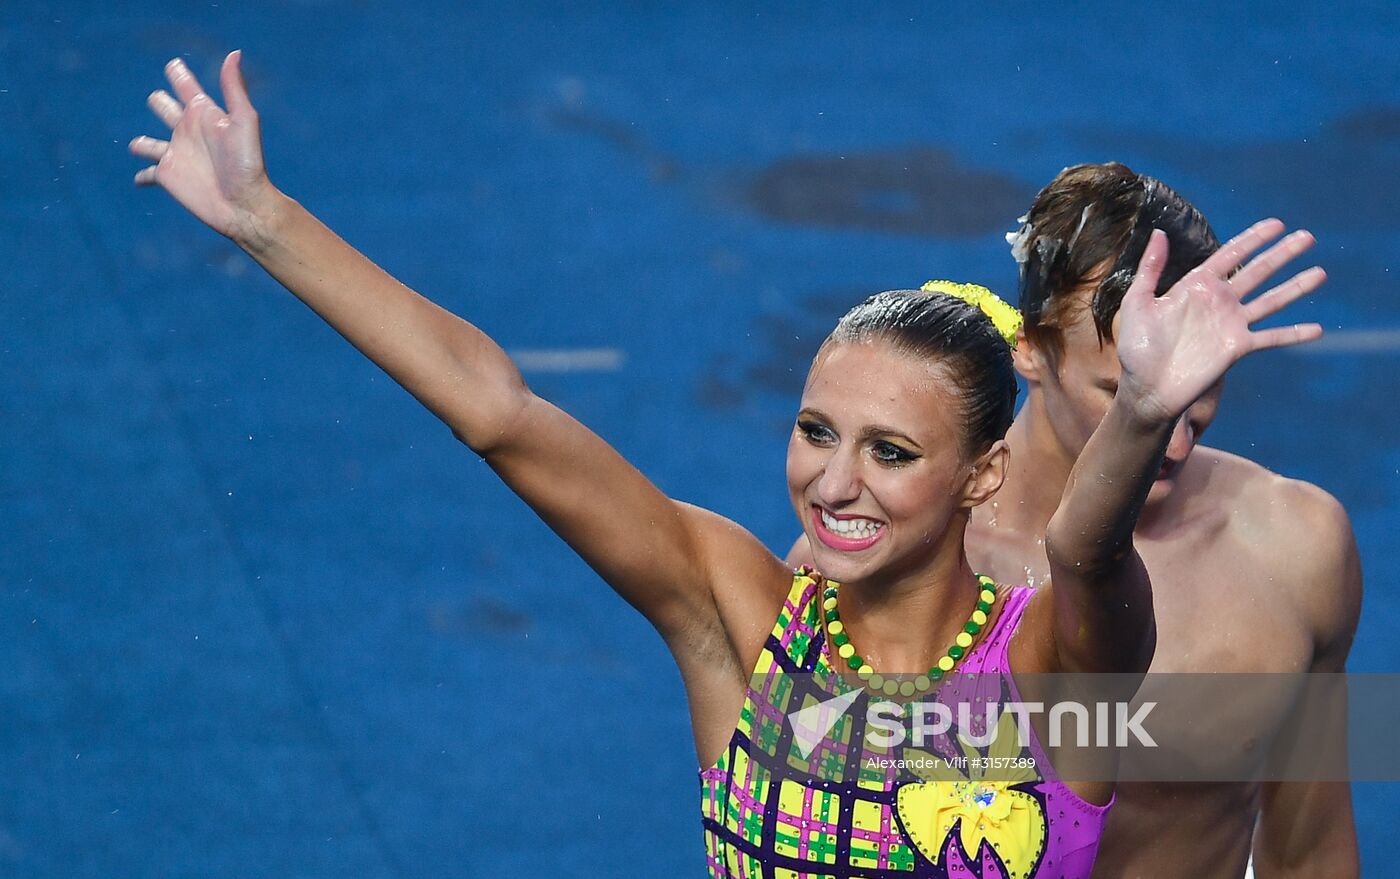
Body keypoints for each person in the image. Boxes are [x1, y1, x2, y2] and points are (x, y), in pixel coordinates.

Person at [130, 55, 1326, 877]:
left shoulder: (1059, 666)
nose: (833, 481)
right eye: (815, 432)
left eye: (890, 450)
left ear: (977, 473)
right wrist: (263, 218)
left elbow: (1089, 548)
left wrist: (1137, 416)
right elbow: (500, 414)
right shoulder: (739, 619)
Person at [790, 163, 1362, 877]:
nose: (1172, 435)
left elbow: (1309, 848)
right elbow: (806, 822)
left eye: (1198, 382)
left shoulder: (1295, 548)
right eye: (1121, 389)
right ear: (1029, 348)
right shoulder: (890, 554)